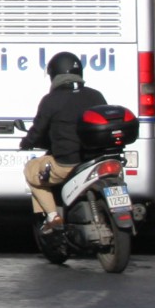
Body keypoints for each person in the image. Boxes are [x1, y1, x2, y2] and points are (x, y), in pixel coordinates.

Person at [20, 51, 107, 229]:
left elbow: (37, 131)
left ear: (54, 75)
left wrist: (26, 143)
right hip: (94, 161)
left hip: (66, 165)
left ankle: (53, 217)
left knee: (31, 170)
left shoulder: (51, 100)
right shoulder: (96, 96)